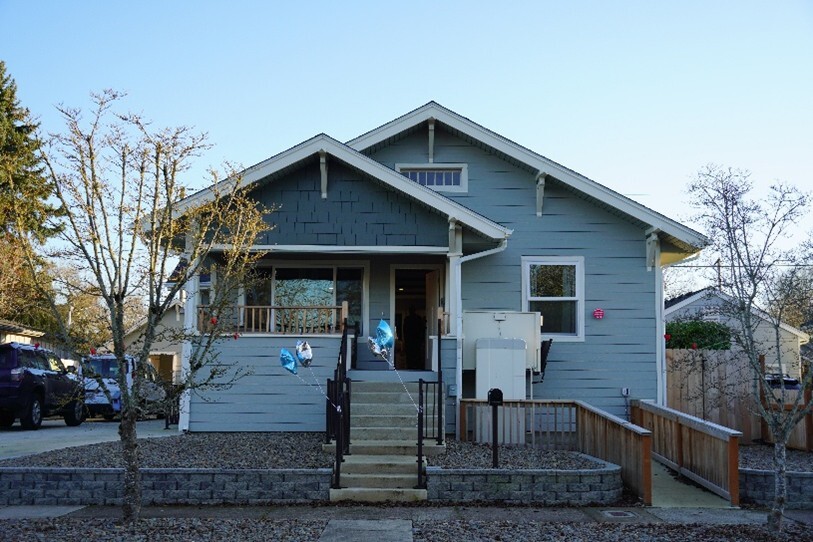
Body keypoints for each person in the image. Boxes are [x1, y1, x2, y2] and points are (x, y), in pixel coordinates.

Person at [403, 306, 425, 370]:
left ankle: (413, 367)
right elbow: (405, 330)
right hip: (412, 340)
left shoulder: (410, 319)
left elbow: (422, 329)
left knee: (414, 354)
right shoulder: (416, 318)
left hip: (413, 340)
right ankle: (413, 367)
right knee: (414, 354)